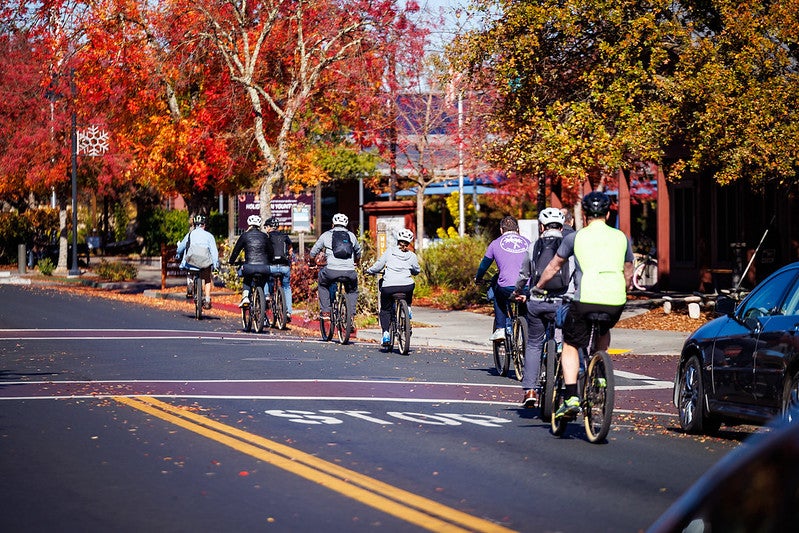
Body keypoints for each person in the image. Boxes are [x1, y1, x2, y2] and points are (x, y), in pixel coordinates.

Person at [533, 192, 634, 419]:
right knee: (603, 328)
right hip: (615, 300)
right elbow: (628, 269)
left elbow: (553, 266)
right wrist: (624, 288)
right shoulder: (622, 238)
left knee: (570, 344)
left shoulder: (575, 238)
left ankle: (571, 397)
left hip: (585, 298)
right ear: (608, 214)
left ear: (585, 216)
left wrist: (538, 285)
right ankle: (599, 368)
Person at [514, 208, 573, 407]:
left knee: (533, 344)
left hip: (537, 302)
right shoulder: (569, 246)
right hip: (561, 302)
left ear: (541, 226)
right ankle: (566, 386)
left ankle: (530, 390)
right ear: (562, 226)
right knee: (567, 343)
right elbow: (574, 274)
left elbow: (524, 274)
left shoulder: (533, 246)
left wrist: (517, 290)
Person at [475, 215, 531, 341]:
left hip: (507, 287)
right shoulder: (528, 242)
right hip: (526, 286)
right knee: (524, 305)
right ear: (517, 229)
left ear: (501, 230)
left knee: (497, 293)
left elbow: (484, 265)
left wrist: (478, 278)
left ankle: (500, 328)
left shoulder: (495, 244)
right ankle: (527, 332)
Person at [366, 228, 421, 346]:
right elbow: (417, 270)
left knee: (385, 309)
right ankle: (408, 308)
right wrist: (412, 271)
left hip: (389, 287)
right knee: (411, 285)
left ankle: (386, 333)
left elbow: (378, 266)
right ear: (409, 243)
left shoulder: (389, 251)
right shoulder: (412, 256)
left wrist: (369, 271)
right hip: (407, 286)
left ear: (398, 240)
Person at [309, 213, 362, 324]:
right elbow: (358, 252)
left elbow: (313, 252)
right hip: (349, 271)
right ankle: (351, 315)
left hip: (331, 271)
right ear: (346, 225)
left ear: (333, 224)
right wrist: (356, 263)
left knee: (323, 284)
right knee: (352, 290)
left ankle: (326, 312)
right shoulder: (351, 236)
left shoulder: (326, 235)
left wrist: (312, 262)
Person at [227, 214, 274, 308]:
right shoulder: (265, 236)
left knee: (247, 279)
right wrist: (269, 261)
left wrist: (231, 261)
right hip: (264, 267)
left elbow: (236, 250)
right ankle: (264, 297)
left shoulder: (244, 236)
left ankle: (245, 297)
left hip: (249, 266)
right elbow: (271, 252)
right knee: (263, 280)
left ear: (249, 224)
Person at [177, 214, 220, 309]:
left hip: (192, 261)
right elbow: (214, 251)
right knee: (207, 279)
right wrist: (216, 265)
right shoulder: (209, 236)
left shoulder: (190, 234)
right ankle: (207, 299)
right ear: (204, 225)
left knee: (188, 268)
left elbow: (181, 247)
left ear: (195, 224)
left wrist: (178, 255)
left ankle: (190, 282)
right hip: (205, 262)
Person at [264, 216, 294, 322]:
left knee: (265, 278)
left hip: (271, 266)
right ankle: (288, 312)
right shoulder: (285, 236)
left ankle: (267, 295)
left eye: (265, 227)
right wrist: (290, 258)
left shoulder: (266, 237)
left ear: (268, 227)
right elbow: (290, 250)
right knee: (286, 287)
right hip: (284, 266)